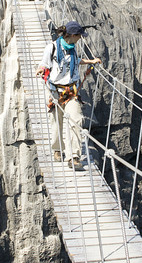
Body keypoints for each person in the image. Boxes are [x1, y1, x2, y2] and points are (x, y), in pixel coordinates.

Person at [35, 21, 102, 170]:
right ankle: (58, 149)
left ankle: (74, 157)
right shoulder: (52, 48)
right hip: (55, 91)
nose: (80, 38)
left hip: (71, 91)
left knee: (76, 120)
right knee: (56, 121)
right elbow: (44, 63)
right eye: (79, 36)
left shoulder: (72, 48)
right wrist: (41, 69)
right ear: (72, 35)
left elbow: (75, 61)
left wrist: (91, 61)